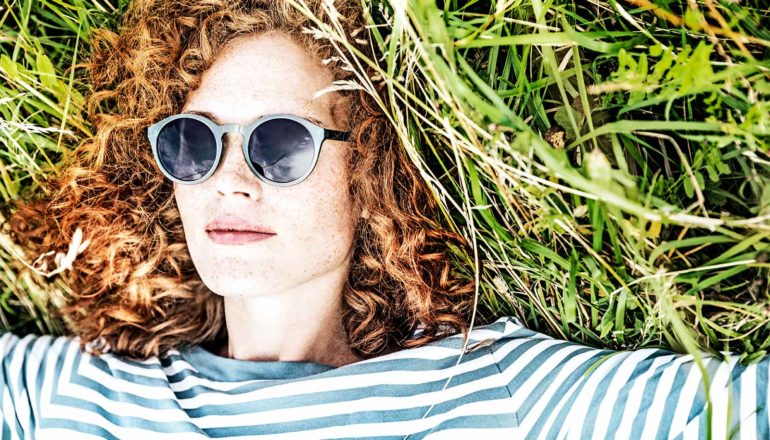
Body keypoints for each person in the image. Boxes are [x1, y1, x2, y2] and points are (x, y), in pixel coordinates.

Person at [0, 0, 767, 438]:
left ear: (367, 168)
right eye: (195, 142)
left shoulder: (494, 393)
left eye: (278, 142)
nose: (228, 181)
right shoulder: (82, 387)